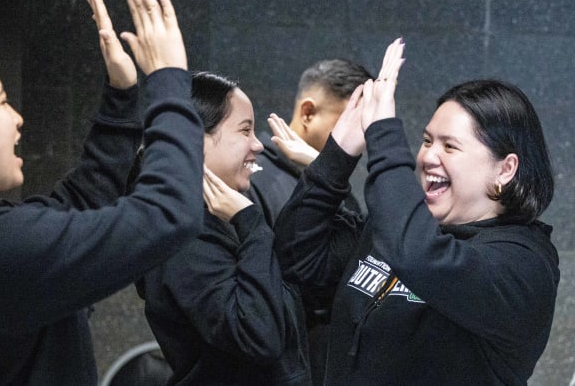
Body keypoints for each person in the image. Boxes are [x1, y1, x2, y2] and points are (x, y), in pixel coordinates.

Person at [0, 0, 204, 385]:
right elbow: (167, 214)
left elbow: (77, 203)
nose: (17, 118)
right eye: (3, 102)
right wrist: (168, 79)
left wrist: (122, 94)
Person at [273, 38, 559, 385]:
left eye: (450, 146)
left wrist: (383, 134)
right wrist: (339, 154)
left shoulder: (522, 265)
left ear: (505, 169)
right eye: (426, 141)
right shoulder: (395, 233)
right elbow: (295, 258)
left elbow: (421, 258)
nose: (427, 157)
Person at [135, 71, 312, 385]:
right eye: (245, 130)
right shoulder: (182, 239)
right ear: (194, 140)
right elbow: (258, 337)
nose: (258, 144)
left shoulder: (207, 221)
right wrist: (253, 226)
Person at [246, 58, 374, 384]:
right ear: (307, 113)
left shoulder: (333, 181)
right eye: (350, 123)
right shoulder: (253, 178)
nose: (358, 140)